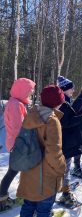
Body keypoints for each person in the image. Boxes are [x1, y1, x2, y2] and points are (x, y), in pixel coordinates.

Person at [17, 85, 66, 217]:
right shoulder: (52, 121)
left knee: (28, 206)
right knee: (44, 210)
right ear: (57, 103)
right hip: (46, 178)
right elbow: (54, 153)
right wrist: (62, 168)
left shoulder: (31, 115)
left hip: (28, 172)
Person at [0, 78, 36, 211]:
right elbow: (18, 128)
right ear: (22, 90)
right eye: (29, 91)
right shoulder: (15, 104)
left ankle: (4, 198)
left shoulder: (16, 103)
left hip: (17, 143)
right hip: (18, 145)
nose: (30, 94)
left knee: (14, 171)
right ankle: (2, 200)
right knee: (13, 171)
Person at [57, 76, 82, 206]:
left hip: (67, 140)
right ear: (64, 90)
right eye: (71, 88)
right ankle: (65, 193)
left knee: (65, 168)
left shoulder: (67, 101)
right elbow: (66, 123)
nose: (73, 90)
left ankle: (64, 188)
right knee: (65, 168)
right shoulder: (63, 104)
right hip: (65, 142)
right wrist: (81, 118)